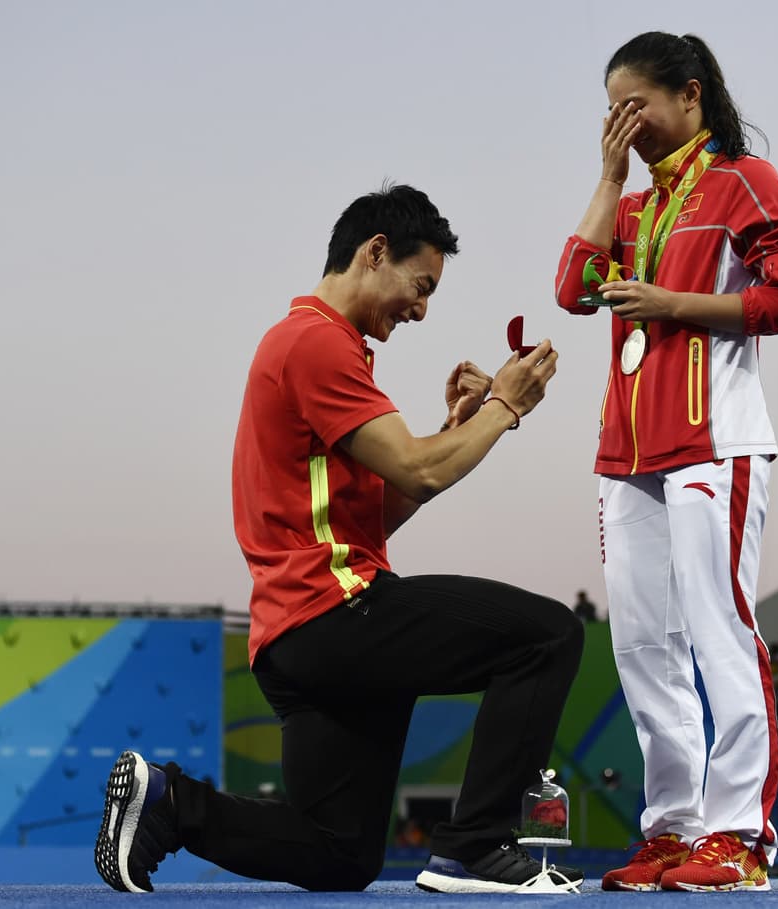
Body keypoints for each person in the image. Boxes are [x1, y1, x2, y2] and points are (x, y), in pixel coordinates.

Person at [94, 184, 585, 894]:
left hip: (297, 638)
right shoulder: (317, 343)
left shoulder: (309, 343)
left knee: (339, 854)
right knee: (547, 637)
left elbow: (384, 506)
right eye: (421, 286)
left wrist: (454, 429)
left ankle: (171, 804)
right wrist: (506, 405)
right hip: (338, 611)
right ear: (375, 252)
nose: (421, 310)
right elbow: (420, 467)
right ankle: (476, 847)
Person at [554, 31, 778, 892]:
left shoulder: (746, 181)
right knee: (642, 644)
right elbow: (572, 290)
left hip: (714, 439)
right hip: (627, 450)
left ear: (691, 95)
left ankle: (739, 836)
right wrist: (607, 179)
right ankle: (674, 828)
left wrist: (675, 303)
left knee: (719, 629)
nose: (623, 123)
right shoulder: (632, 207)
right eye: (611, 111)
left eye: (636, 105)